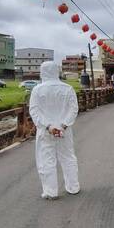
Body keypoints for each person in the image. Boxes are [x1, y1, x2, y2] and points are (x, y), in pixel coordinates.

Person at [30, 61, 80, 199]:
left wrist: (49, 127)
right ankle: (73, 187)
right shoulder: (68, 89)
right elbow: (73, 109)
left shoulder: (37, 90)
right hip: (64, 130)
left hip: (46, 131)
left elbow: (34, 112)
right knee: (68, 158)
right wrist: (63, 125)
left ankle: (51, 191)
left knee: (46, 160)